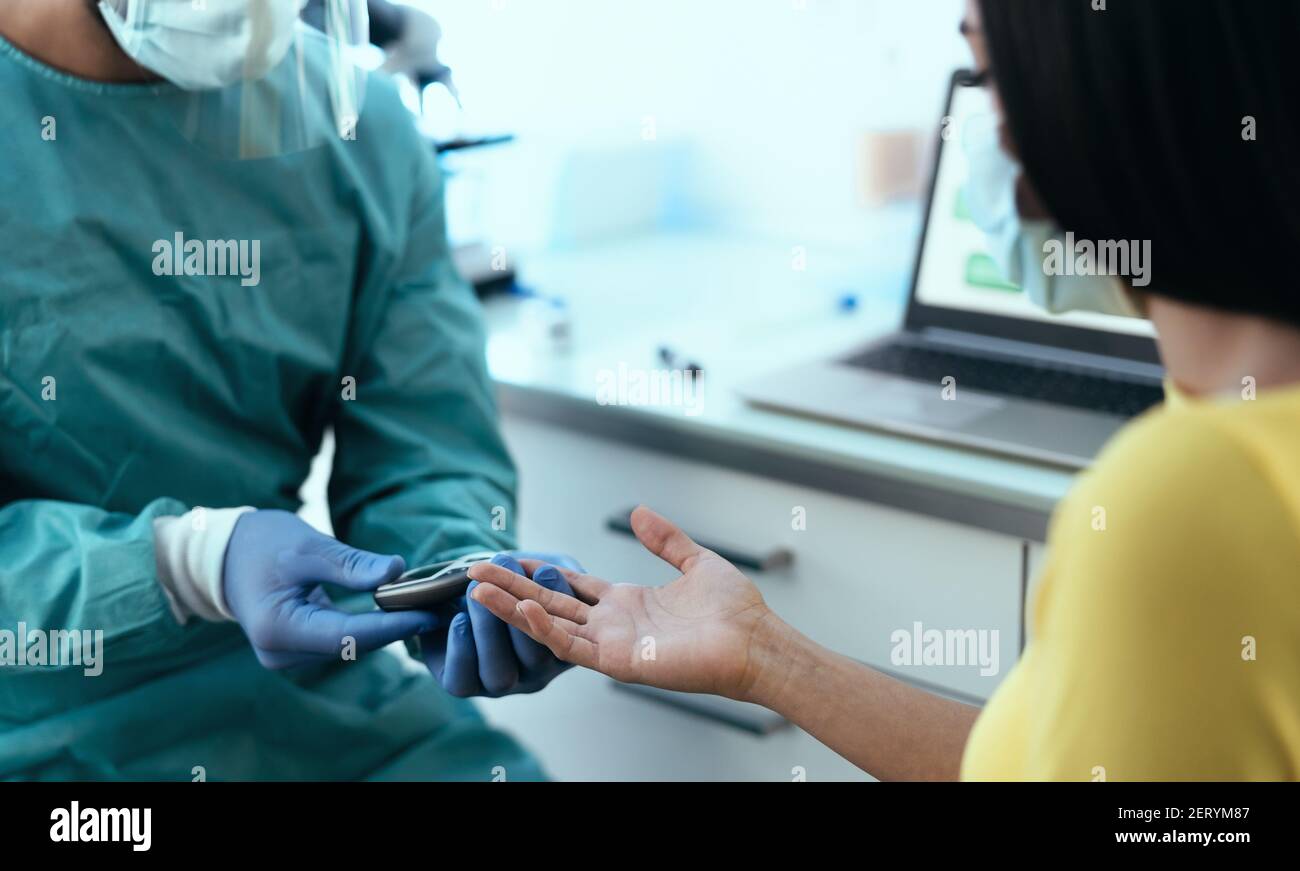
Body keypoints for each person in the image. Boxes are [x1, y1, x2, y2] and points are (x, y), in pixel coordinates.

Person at [466, 0, 1300, 781]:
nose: (982, 130)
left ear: (1100, 91)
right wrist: (765, 656)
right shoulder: (1224, 442)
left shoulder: (1186, 500)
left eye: (991, 73)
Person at [0, 0, 575, 780]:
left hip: (309, 707)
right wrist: (186, 562)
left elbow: (427, 441)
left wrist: (465, 568)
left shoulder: (354, 127)